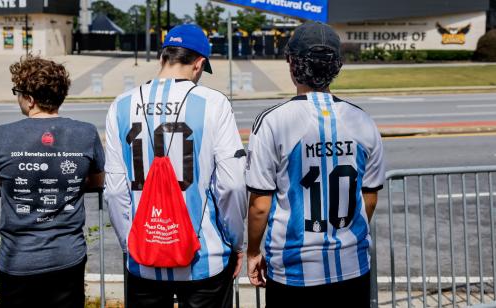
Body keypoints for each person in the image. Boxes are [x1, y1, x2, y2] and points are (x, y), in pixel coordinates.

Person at [104, 24, 247, 308]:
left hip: (143, 258)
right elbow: (231, 185)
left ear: (162, 58)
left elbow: (115, 191)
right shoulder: (214, 103)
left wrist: (130, 246)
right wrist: (236, 243)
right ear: (199, 64)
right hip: (204, 256)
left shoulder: (120, 105)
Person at [245, 21, 385, 307]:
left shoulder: (273, 121)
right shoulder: (363, 120)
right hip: (352, 264)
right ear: (337, 66)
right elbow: (369, 197)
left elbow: (260, 203)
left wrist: (252, 252)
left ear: (291, 63)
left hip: (294, 268)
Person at [0, 55, 105, 308]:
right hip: (67, 256)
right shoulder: (86, 133)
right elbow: (97, 181)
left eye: (18, 92)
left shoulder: (2, 135)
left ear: (30, 99)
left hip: (18, 259)